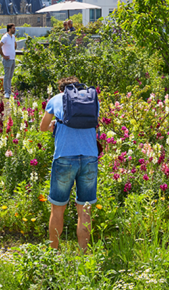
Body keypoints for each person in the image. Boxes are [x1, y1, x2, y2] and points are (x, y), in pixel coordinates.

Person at [39, 76, 99, 252]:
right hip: (89, 157)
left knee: (57, 209)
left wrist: (53, 125)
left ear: (61, 89)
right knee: (85, 209)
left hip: (64, 157)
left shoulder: (56, 99)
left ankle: (53, 253)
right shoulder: (91, 99)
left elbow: (42, 127)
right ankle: (84, 254)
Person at [0, 23, 17, 99]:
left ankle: (9, 91)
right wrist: (3, 55)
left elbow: (15, 45)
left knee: (10, 76)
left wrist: (13, 51)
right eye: (13, 28)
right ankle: (6, 92)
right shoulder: (5, 37)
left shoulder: (13, 37)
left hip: (12, 59)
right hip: (7, 60)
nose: (14, 30)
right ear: (9, 29)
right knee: (7, 76)